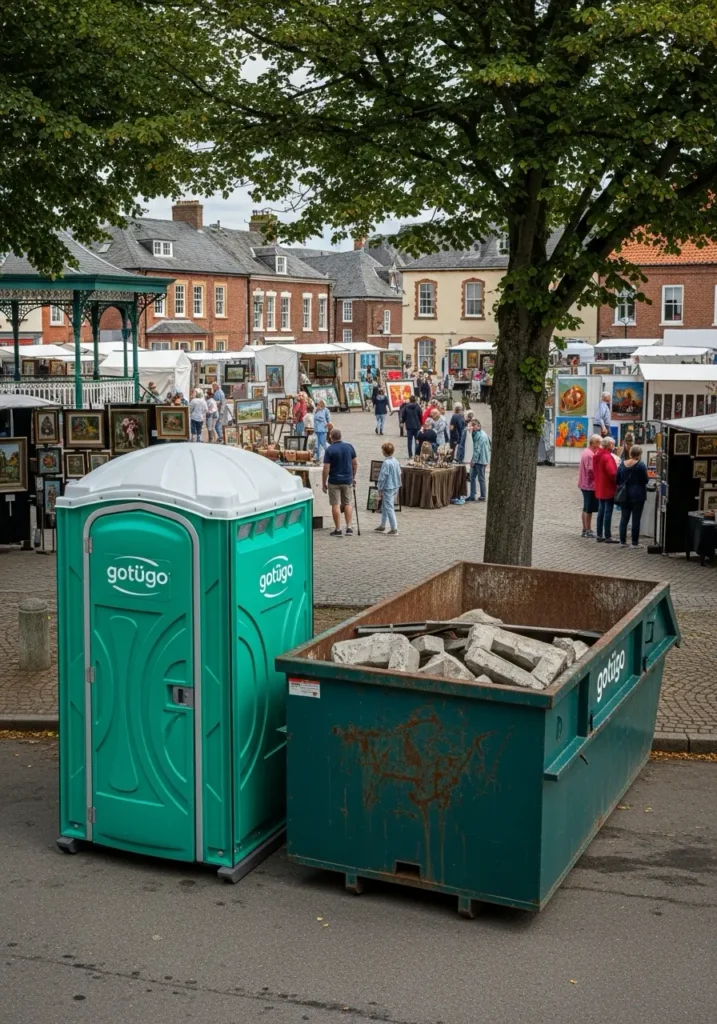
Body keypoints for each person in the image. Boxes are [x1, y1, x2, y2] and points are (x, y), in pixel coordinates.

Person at [322, 428, 358, 537]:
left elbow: (326, 468)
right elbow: (355, 464)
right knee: (347, 503)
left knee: (335, 504)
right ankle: (349, 527)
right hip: (347, 480)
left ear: (331, 437)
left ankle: (338, 529)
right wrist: (353, 477)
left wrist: (324, 482)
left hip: (334, 480)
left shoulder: (329, 450)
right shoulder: (349, 447)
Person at [616, 445, 649, 548]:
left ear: (630, 453)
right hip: (638, 494)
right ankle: (634, 542)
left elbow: (617, 479)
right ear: (639, 454)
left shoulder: (622, 464)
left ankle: (622, 541)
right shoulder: (641, 465)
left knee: (624, 517)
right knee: (636, 519)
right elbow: (646, 480)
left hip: (625, 495)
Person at [593, 436, 618, 543]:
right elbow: (612, 473)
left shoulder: (597, 455)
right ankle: (607, 535)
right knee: (608, 511)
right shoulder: (607, 457)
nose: (614, 446)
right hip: (608, 487)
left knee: (601, 511)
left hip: (599, 486)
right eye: (613, 444)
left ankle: (599, 534)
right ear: (609, 445)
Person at [375, 441, 402, 535]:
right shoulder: (395, 460)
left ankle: (394, 528)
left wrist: (380, 488)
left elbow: (383, 477)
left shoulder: (386, 463)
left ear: (384, 452)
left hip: (388, 487)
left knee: (389, 507)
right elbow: (399, 473)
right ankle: (382, 525)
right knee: (385, 506)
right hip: (395, 485)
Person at [578, 435, 601, 537]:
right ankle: (588, 530)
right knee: (589, 508)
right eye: (599, 443)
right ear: (594, 443)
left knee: (586, 507)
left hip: (585, 483)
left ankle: (585, 529)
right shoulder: (589, 454)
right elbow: (590, 469)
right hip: (588, 484)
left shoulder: (586, 452)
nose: (600, 445)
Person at [466, 419, 491, 501]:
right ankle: (473, 495)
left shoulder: (480, 436)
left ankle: (482, 495)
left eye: (472, 426)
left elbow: (477, 449)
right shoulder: (481, 433)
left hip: (480, 460)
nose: (471, 427)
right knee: (473, 477)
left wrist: (473, 460)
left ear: (477, 426)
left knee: (480, 478)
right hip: (482, 459)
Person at [313, 399, 329, 463]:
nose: (317, 405)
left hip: (322, 429)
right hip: (317, 429)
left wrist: (327, 424)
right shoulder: (316, 411)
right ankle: (317, 457)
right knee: (317, 444)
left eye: (319, 404)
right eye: (317, 404)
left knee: (323, 443)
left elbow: (328, 419)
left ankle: (330, 454)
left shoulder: (325, 410)